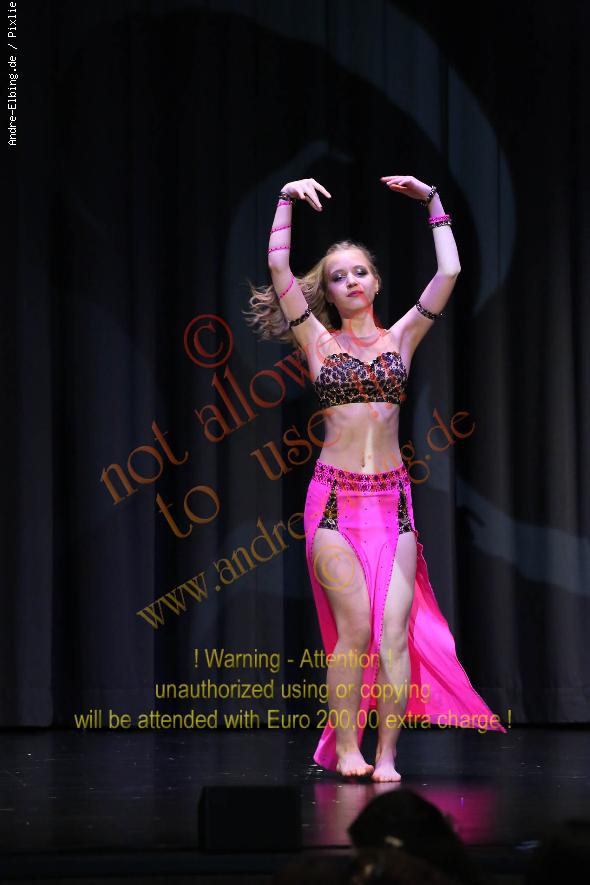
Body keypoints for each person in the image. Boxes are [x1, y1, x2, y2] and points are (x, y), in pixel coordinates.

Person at [244, 175, 506, 782]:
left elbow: (450, 271)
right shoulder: (316, 339)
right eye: (338, 276)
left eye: (360, 272)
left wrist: (433, 200)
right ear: (329, 292)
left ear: (377, 282)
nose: (351, 282)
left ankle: (385, 755)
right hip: (334, 504)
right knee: (355, 630)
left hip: (394, 505)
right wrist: (284, 199)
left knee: (392, 637)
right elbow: (279, 266)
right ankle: (346, 749)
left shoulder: (403, 336)